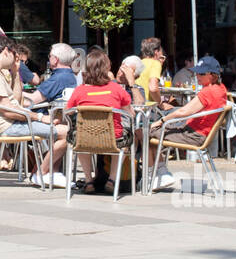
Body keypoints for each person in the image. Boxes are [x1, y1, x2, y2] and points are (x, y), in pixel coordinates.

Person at [0, 37, 69, 185]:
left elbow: (16, 101)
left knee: (64, 130)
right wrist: (40, 117)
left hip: (10, 123)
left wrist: (16, 74)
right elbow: (8, 111)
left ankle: (45, 172)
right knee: (67, 133)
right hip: (7, 126)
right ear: (6, 51)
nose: (18, 59)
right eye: (15, 54)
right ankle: (41, 173)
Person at [147, 56, 228, 190]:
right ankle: (161, 173)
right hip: (201, 132)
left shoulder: (208, 91)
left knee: (147, 133)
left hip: (194, 135)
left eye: (201, 73)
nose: (197, 75)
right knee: (161, 123)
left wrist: (161, 121)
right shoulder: (221, 88)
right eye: (196, 72)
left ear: (213, 75)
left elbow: (184, 112)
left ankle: (155, 176)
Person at [64, 48, 134, 194]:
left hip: (86, 138)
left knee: (81, 141)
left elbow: (67, 112)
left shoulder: (80, 91)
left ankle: (89, 181)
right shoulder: (116, 89)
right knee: (124, 144)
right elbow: (130, 114)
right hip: (113, 139)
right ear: (107, 68)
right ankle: (112, 179)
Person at [24, 43, 79, 108]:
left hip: (45, 116)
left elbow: (30, 101)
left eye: (50, 56)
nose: (48, 59)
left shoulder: (57, 79)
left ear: (55, 60)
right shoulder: (71, 75)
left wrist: (12, 93)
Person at [136, 38, 165, 106]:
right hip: (149, 108)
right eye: (161, 51)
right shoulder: (155, 63)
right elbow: (153, 88)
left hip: (136, 106)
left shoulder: (137, 63)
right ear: (156, 52)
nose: (162, 53)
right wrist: (160, 103)